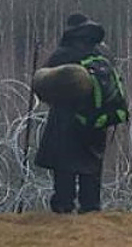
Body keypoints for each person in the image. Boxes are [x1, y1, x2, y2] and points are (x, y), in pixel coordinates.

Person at [34, 13, 110, 214]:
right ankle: (91, 208)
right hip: (96, 121)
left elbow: (41, 84)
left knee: (65, 167)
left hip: (65, 121)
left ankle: (63, 206)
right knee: (91, 167)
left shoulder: (63, 54)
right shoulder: (103, 53)